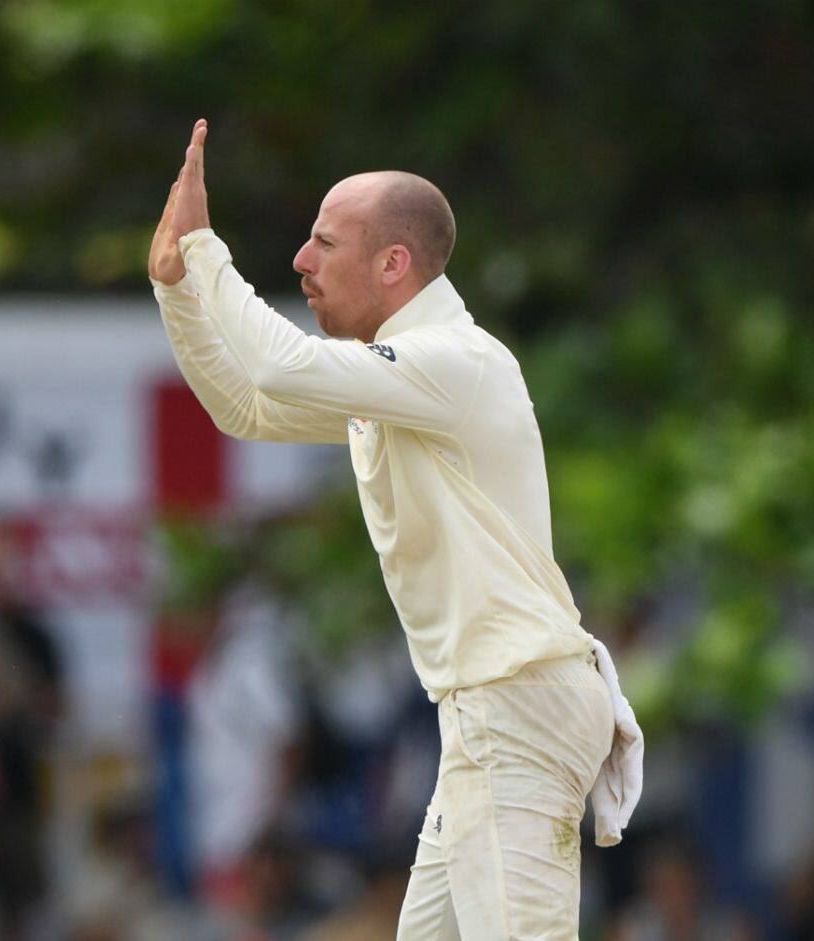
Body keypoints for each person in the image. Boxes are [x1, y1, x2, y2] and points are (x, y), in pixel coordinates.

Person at [149, 119, 642, 939]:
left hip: (514, 702)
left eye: (323, 243)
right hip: (489, 710)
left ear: (393, 264)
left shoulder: (455, 360)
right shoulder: (395, 379)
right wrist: (175, 286)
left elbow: (279, 365)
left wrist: (206, 249)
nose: (302, 262)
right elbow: (247, 406)